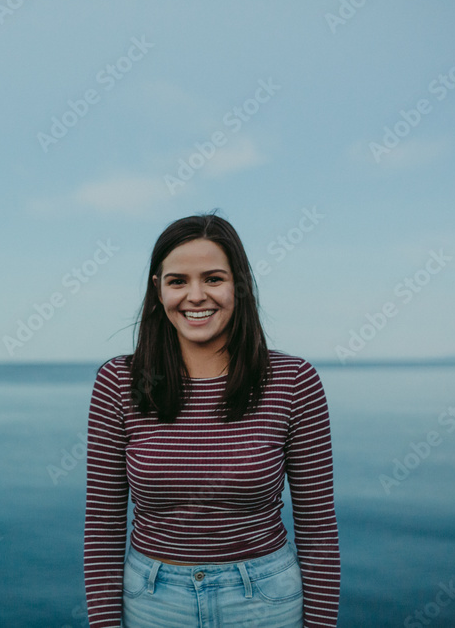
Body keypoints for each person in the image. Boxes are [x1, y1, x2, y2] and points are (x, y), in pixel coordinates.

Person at [84, 211, 340, 627]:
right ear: (158, 290)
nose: (196, 295)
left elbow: (318, 529)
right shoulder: (119, 381)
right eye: (178, 281)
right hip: (151, 602)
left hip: (264, 602)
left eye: (214, 279)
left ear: (239, 286)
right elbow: (102, 524)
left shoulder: (293, 381)